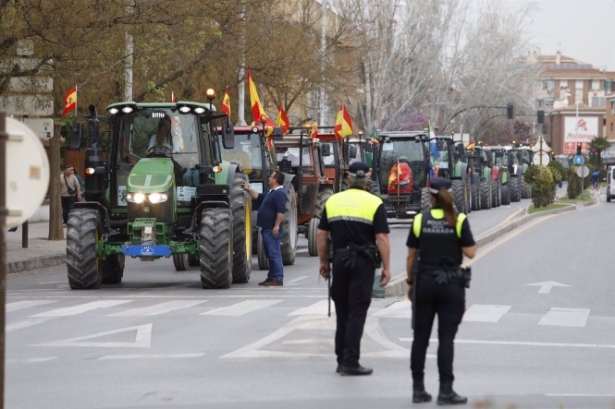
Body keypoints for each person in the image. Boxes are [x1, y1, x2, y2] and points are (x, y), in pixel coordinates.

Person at [405, 177, 476, 405]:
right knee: (446, 339)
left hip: (424, 282)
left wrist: (410, 283)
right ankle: (446, 391)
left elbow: (411, 256)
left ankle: (418, 390)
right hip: (451, 285)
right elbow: (471, 252)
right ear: (451, 194)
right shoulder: (459, 219)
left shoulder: (420, 220)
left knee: (420, 339)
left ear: (431, 196)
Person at [316, 161, 391, 376]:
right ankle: (350, 362)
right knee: (357, 312)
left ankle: (341, 359)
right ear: (368, 178)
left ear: (348, 178)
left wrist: (323, 262)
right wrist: (386, 267)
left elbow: (321, 235)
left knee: (342, 312)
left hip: (339, 261)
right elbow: (382, 238)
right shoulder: (374, 203)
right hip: (363, 262)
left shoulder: (333, 201)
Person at [241, 171, 286, 286]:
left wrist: (276, 226)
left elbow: (281, 211)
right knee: (269, 254)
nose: (269, 178)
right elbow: (258, 197)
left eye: (271, 177)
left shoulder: (280, 193)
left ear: (275, 180)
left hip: (272, 229)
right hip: (266, 229)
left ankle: (278, 278)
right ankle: (271, 277)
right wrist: (247, 189)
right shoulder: (271, 193)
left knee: (274, 253)